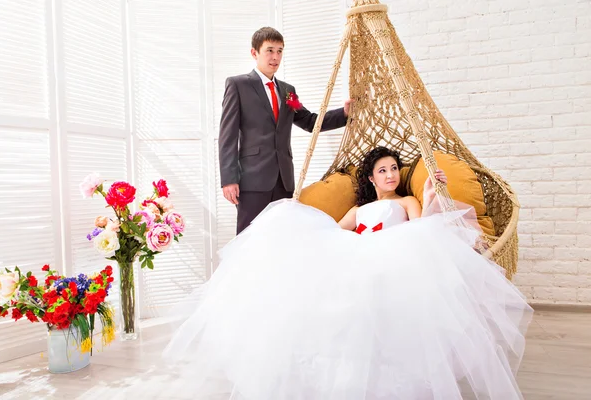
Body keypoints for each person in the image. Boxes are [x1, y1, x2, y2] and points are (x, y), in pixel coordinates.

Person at [164, 146, 533, 399]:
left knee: (374, 291)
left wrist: (436, 193)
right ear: (371, 179)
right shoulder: (360, 209)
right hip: (356, 251)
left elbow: (424, 229)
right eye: (382, 170)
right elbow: (331, 233)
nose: (390, 174)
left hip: (396, 252)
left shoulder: (408, 201)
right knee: (317, 277)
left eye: (393, 169)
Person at [218, 26, 352, 234]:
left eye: (280, 51)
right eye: (269, 50)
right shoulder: (238, 85)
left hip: (283, 180)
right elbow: (227, 136)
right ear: (255, 53)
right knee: (249, 240)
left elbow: (309, 121)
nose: (275, 57)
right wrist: (229, 179)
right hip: (252, 180)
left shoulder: (288, 92)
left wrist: (343, 114)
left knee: (281, 237)